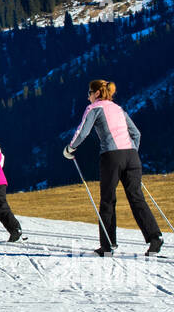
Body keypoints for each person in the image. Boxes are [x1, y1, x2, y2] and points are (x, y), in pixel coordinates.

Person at [64, 79, 162, 256]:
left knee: (108, 200)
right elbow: (136, 133)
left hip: (111, 157)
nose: (88, 98)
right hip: (132, 155)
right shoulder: (118, 108)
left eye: (89, 93)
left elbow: (82, 131)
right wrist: (131, 151)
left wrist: (70, 148)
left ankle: (108, 246)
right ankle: (155, 238)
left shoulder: (94, 108)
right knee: (137, 197)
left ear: (97, 94)